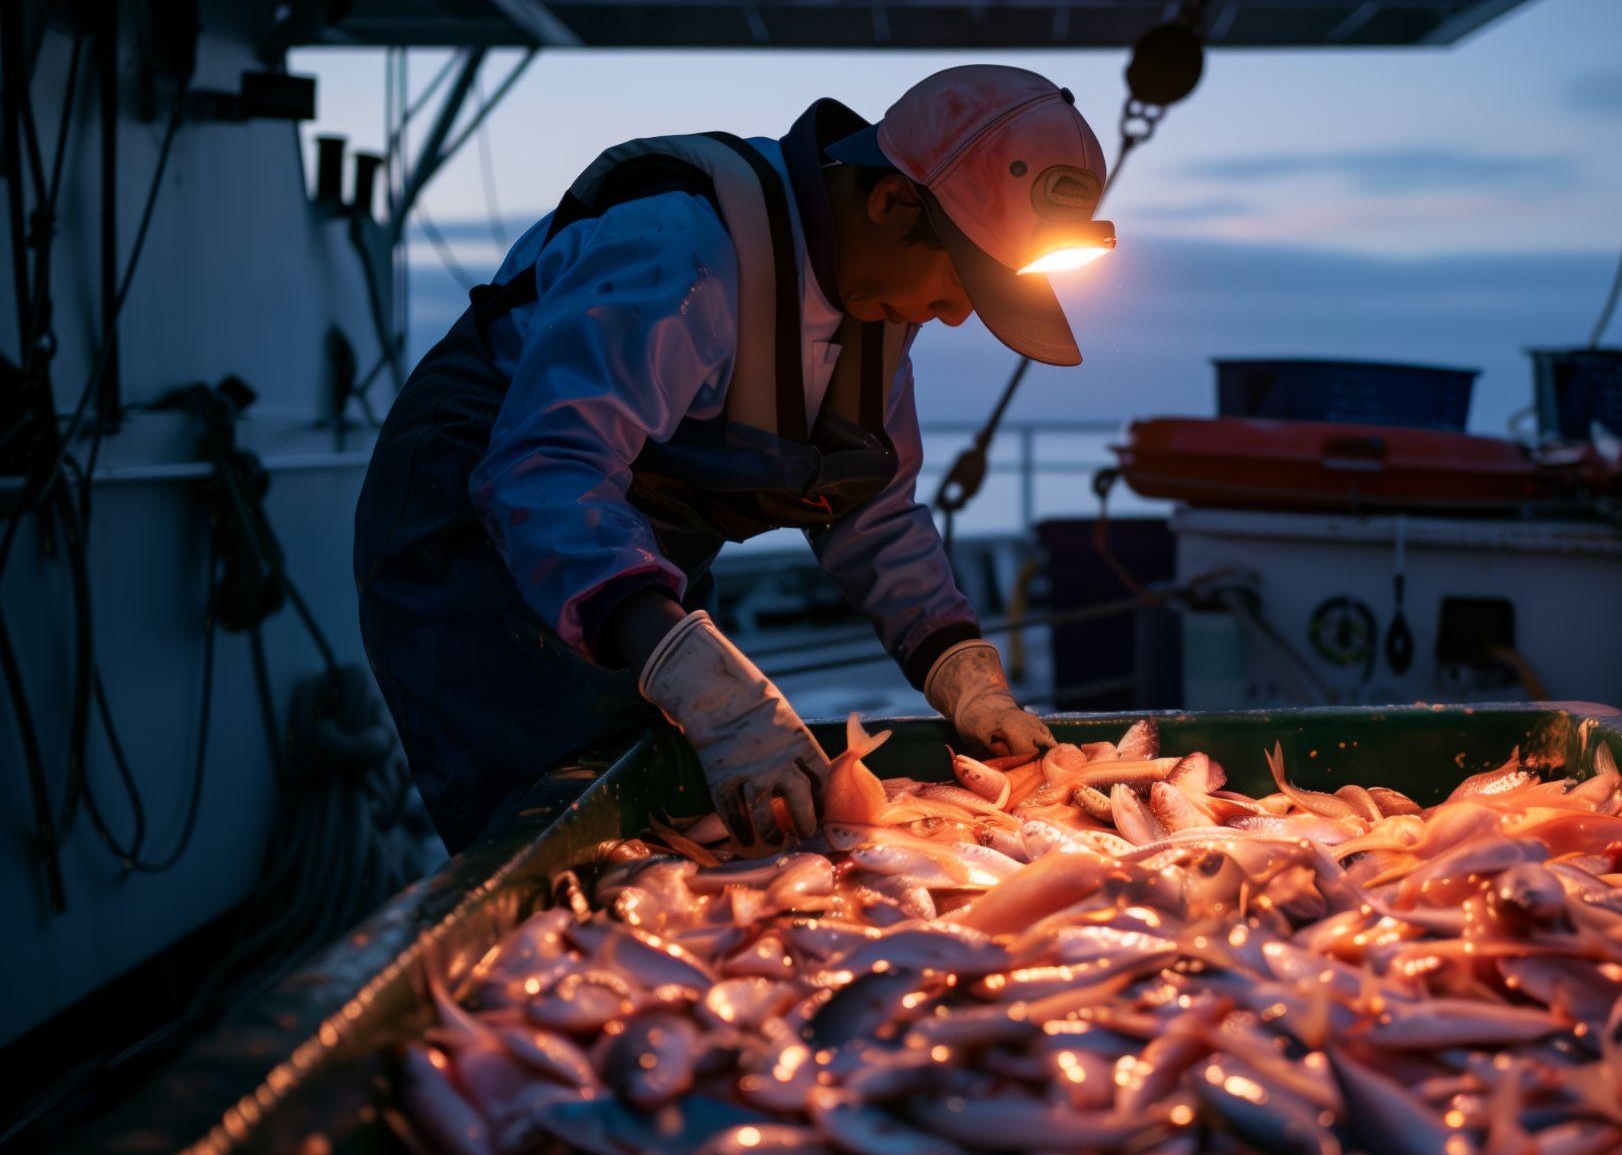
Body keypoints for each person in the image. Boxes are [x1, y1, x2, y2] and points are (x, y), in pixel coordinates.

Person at [354, 66, 1116, 852]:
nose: (958, 316)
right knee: (553, 834)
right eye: (963, 281)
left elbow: (875, 510)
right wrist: (698, 678)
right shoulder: (682, 251)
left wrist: (959, 663)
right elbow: (549, 468)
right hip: (480, 548)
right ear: (890, 202)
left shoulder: (875, 315)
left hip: (634, 567)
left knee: (677, 817)